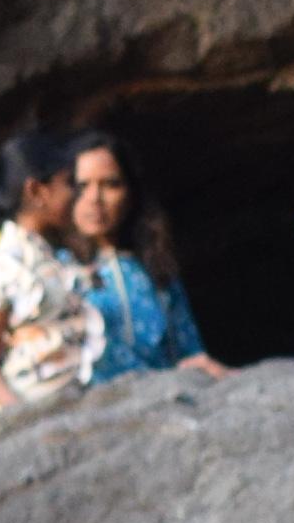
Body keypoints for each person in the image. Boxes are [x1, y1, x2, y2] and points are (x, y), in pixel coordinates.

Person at [0, 125, 103, 417]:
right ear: (37, 190)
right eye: (69, 184)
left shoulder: (58, 258)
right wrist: (19, 413)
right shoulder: (2, 266)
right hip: (21, 416)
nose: (77, 194)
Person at [65, 130, 220, 385]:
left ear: (132, 193)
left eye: (111, 184)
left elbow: (191, 355)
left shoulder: (156, 270)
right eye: (82, 186)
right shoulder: (52, 268)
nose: (95, 199)